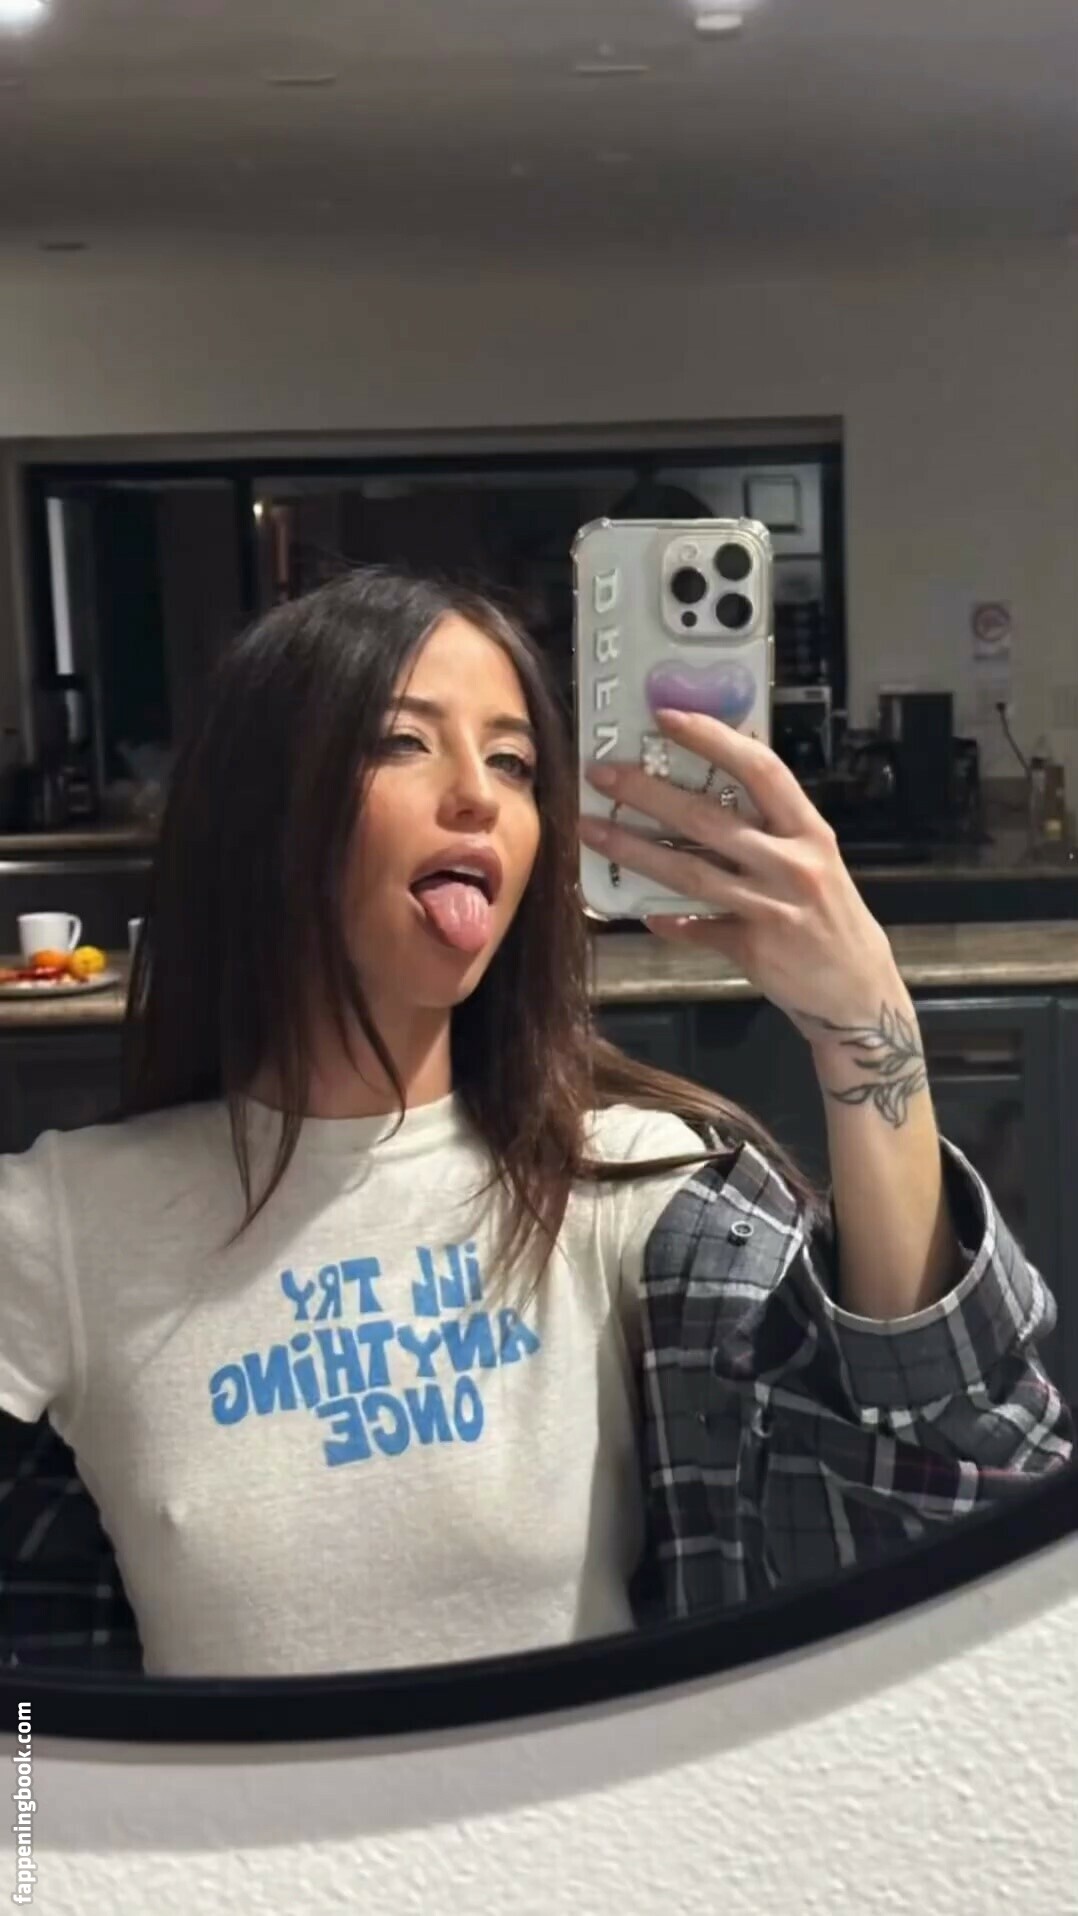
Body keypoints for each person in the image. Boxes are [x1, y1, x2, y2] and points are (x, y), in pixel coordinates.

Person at [0, 568, 1071, 1679]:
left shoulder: (629, 1191)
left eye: (513, 763)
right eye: (403, 741)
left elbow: (958, 1479)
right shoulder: (67, 1222)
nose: (478, 794)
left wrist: (864, 1024)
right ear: (260, 809)